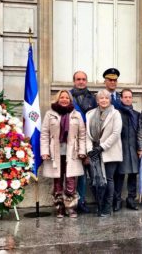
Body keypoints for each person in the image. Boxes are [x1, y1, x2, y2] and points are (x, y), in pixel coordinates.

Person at [40, 90, 86, 218]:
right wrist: (44, 152)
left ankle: (71, 207)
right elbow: (44, 134)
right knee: (58, 182)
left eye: (67, 97)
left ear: (70, 100)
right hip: (55, 153)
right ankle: (59, 207)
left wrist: (82, 151)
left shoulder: (76, 115)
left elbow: (82, 135)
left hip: (72, 153)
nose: (64, 99)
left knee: (71, 181)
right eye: (62, 97)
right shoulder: (50, 114)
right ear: (58, 99)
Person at [86, 89, 122, 216]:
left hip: (110, 151)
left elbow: (116, 134)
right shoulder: (90, 114)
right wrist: (90, 150)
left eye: (106, 98)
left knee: (109, 179)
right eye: (101, 98)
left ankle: (108, 206)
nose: (104, 100)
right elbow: (87, 134)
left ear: (110, 100)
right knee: (95, 180)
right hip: (94, 152)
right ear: (97, 100)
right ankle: (99, 204)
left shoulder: (115, 113)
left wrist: (102, 147)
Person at [70, 71, 97, 213]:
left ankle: (81, 201)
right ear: (74, 81)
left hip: (87, 140)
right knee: (72, 175)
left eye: (83, 79)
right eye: (78, 79)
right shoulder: (67, 97)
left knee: (85, 175)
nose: (81, 82)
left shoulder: (92, 98)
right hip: (71, 142)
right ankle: (70, 202)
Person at [113, 89, 140, 211]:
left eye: (130, 97)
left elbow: (140, 131)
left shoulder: (136, 114)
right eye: (125, 97)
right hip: (121, 147)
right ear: (121, 99)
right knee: (119, 175)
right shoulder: (116, 113)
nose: (128, 99)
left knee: (133, 174)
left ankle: (131, 199)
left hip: (134, 148)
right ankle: (117, 200)